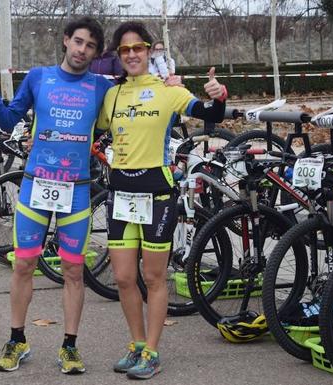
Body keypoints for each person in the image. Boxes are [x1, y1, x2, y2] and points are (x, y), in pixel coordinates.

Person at [0, 17, 113, 375]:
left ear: (96, 54)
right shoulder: (38, 77)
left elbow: (131, 114)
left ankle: (69, 345)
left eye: (90, 46)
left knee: (73, 270)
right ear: (66, 41)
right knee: (23, 264)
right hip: (37, 187)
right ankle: (17, 339)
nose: (82, 50)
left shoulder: (102, 86)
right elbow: (10, 120)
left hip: (77, 193)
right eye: (78, 42)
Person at [96, 22, 227, 380]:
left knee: (154, 277)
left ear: (150, 50)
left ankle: (153, 351)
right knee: (123, 277)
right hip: (120, 193)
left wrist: (218, 95)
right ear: (119, 57)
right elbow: (90, 126)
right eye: (125, 50)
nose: (132, 55)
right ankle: (136, 345)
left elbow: (210, 114)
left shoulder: (169, 91)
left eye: (138, 48)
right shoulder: (112, 95)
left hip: (158, 193)